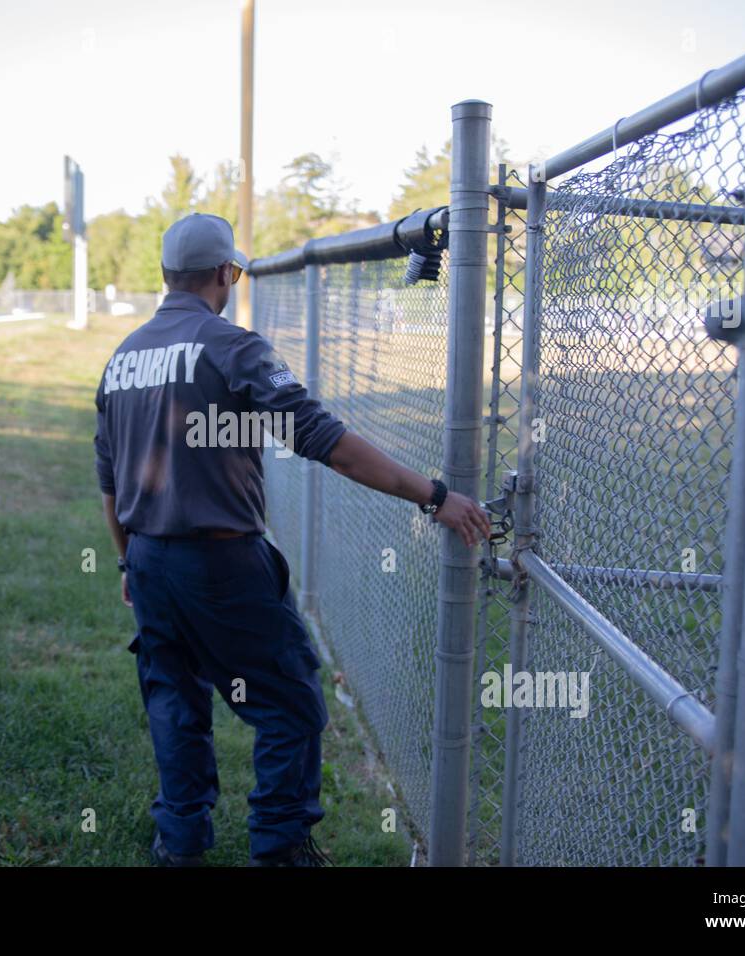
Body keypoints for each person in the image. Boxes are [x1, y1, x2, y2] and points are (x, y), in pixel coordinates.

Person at [93, 213, 490, 867]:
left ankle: (181, 839)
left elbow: (109, 481)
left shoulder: (122, 359)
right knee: (291, 703)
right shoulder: (231, 346)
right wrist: (436, 496)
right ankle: (280, 851)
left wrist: (124, 561)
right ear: (227, 273)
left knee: (174, 695)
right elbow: (327, 443)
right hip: (220, 563)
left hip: (147, 555)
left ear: (165, 275)